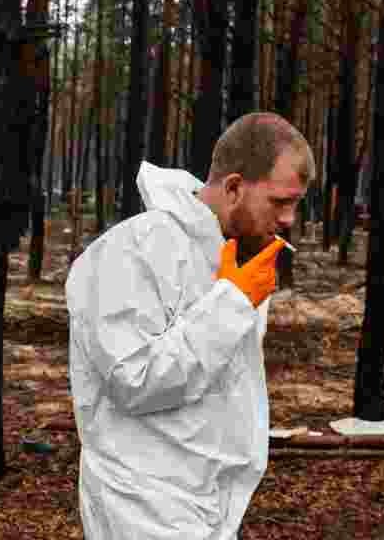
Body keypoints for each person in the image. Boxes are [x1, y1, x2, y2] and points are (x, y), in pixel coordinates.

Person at [65, 112, 315, 540]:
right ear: (234, 187)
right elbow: (134, 379)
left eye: (296, 203)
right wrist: (233, 302)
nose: (290, 219)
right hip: (141, 503)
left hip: (205, 503)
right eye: (279, 202)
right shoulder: (133, 249)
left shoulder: (235, 260)